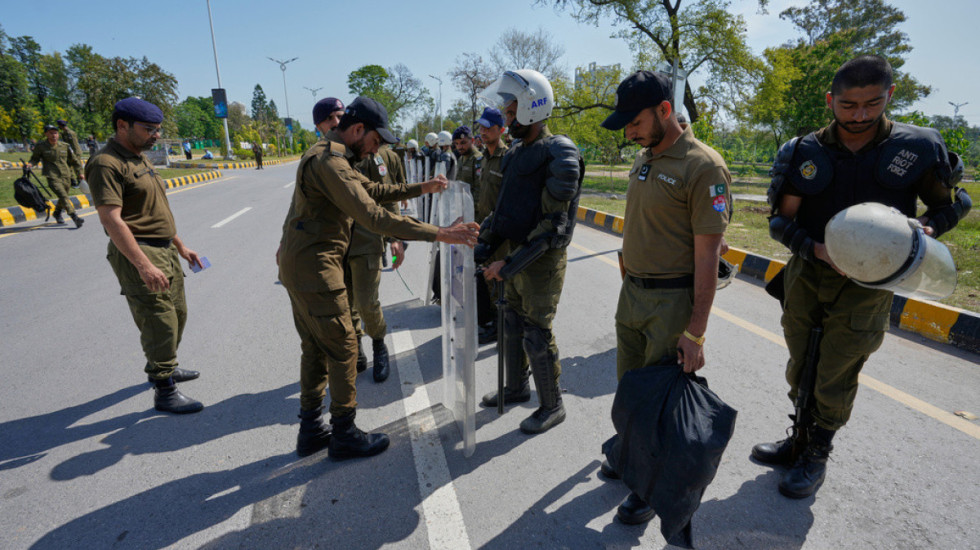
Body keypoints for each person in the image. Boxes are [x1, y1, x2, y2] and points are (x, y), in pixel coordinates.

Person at [754, 55, 967, 499]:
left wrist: (927, 230)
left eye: (872, 104)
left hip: (869, 286)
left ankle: (817, 454)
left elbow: (953, 204)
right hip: (810, 272)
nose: (860, 115)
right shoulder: (802, 151)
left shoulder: (918, 148)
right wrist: (813, 249)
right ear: (832, 100)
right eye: (849, 105)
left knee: (837, 369)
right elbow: (779, 221)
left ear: (890, 96)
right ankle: (798, 439)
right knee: (801, 365)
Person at [278, 96, 480, 459]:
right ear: (358, 130)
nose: (376, 150)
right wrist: (441, 233)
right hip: (316, 265)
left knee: (315, 346)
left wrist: (420, 188)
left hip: (301, 262)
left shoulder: (331, 153)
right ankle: (343, 433)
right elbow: (374, 216)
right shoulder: (331, 162)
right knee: (343, 348)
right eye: (374, 142)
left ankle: (310, 430)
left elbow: (371, 191)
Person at [596, 70, 731, 524]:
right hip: (633, 295)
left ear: (665, 110)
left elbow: (710, 253)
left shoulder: (702, 166)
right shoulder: (647, 155)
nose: (629, 132)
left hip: (671, 301)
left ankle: (647, 489)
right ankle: (628, 455)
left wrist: (696, 331)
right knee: (630, 389)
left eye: (634, 122)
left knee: (659, 403)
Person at [476, 69, 583, 435]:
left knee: (537, 332)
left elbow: (553, 227)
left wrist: (508, 264)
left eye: (510, 114)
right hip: (514, 256)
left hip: (541, 262)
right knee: (511, 323)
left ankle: (552, 405)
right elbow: (503, 210)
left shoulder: (560, 153)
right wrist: (482, 246)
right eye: (505, 114)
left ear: (532, 108)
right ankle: (516, 387)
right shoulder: (516, 154)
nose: (506, 121)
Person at [86, 97, 205, 414]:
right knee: (159, 322)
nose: (156, 135)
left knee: (178, 314)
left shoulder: (140, 158)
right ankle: (164, 390)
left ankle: (165, 364)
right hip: (140, 251)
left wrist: (180, 246)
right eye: (149, 129)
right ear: (122, 125)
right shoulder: (106, 163)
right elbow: (112, 219)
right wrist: (143, 265)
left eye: (158, 129)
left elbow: (155, 211)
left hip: (165, 249)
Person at [347, 143, 406, 382]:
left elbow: (387, 194)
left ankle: (379, 346)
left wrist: (394, 236)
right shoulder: (333, 154)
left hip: (365, 239)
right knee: (345, 304)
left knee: (365, 301)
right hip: (338, 242)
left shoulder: (375, 157)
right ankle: (357, 348)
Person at [474, 107, 510, 344]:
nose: (483, 131)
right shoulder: (484, 158)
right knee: (487, 278)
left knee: (500, 281)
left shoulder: (508, 157)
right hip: (483, 230)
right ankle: (494, 323)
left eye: (489, 128)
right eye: (482, 127)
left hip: (501, 234)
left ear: (501, 130)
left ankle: (503, 328)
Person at [28, 124, 85, 228]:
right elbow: (35, 158)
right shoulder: (41, 146)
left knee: (63, 197)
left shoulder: (65, 146)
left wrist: (80, 173)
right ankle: (74, 217)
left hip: (66, 175)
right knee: (63, 196)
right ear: (46, 134)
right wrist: (30, 164)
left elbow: (74, 161)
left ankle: (57, 213)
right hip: (52, 175)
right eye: (51, 133)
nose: (54, 135)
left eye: (55, 133)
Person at [57, 119, 82, 184]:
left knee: (77, 167)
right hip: (68, 152)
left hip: (75, 152)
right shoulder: (64, 133)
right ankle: (72, 180)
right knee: (68, 166)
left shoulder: (71, 133)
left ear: (61, 126)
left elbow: (75, 145)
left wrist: (75, 154)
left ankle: (80, 180)